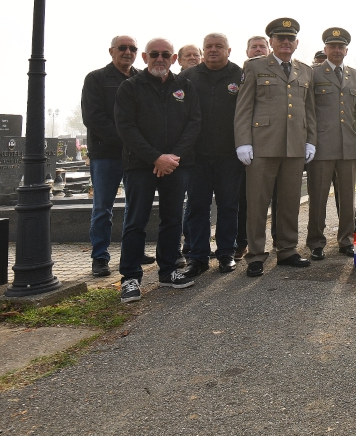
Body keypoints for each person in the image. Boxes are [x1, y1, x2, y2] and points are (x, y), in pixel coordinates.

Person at [113, 38, 201, 302]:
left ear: (174, 59)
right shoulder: (130, 87)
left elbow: (194, 124)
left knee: (172, 219)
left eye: (165, 54)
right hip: (140, 165)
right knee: (136, 221)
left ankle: (168, 271)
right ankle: (130, 278)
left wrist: (172, 158)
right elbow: (126, 127)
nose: (159, 58)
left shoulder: (185, 86)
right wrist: (155, 158)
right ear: (145, 57)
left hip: (176, 165)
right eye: (154, 54)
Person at [234, 18, 317, 277]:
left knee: (290, 202)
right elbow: (244, 107)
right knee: (257, 203)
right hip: (262, 146)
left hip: (294, 146)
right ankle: (256, 255)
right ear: (271, 42)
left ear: (296, 43)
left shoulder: (306, 70)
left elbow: (308, 109)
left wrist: (310, 139)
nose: (285, 42)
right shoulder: (256, 66)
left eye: (290, 38)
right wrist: (243, 141)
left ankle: (287, 250)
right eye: (280, 38)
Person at [179, 33, 243, 276]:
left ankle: (226, 253)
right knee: (197, 206)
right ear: (203, 51)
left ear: (229, 50)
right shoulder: (187, 77)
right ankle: (198, 256)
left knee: (228, 205)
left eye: (219, 46)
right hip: (196, 156)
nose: (213, 50)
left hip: (230, 155)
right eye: (209, 47)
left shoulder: (240, 75)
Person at [81, 34, 145, 278]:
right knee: (102, 208)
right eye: (122, 48)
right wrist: (128, 138)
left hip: (135, 155)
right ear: (111, 51)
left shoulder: (141, 78)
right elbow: (94, 118)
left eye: (132, 48)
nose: (127, 52)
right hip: (106, 153)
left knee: (135, 206)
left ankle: (133, 252)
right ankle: (100, 257)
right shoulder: (96, 78)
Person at [306, 28, 356, 260]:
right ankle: (316, 242)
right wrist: (309, 141)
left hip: (347, 144)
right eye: (333, 46)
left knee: (348, 197)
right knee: (318, 196)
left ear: (346, 50)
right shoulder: (312, 74)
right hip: (321, 144)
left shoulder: (355, 75)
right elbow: (308, 110)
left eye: (341, 47)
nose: (337, 50)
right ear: (326, 49)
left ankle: (346, 239)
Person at [237, 35, 271, 258]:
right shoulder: (243, 71)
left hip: (273, 146)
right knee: (247, 200)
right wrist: (243, 142)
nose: (258, 50)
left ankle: (281, 240)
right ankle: (243, 243)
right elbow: (244, 108)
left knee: (280, 199)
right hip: (247, 147)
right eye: (254, 47)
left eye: (262, 46)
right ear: (247, 51)